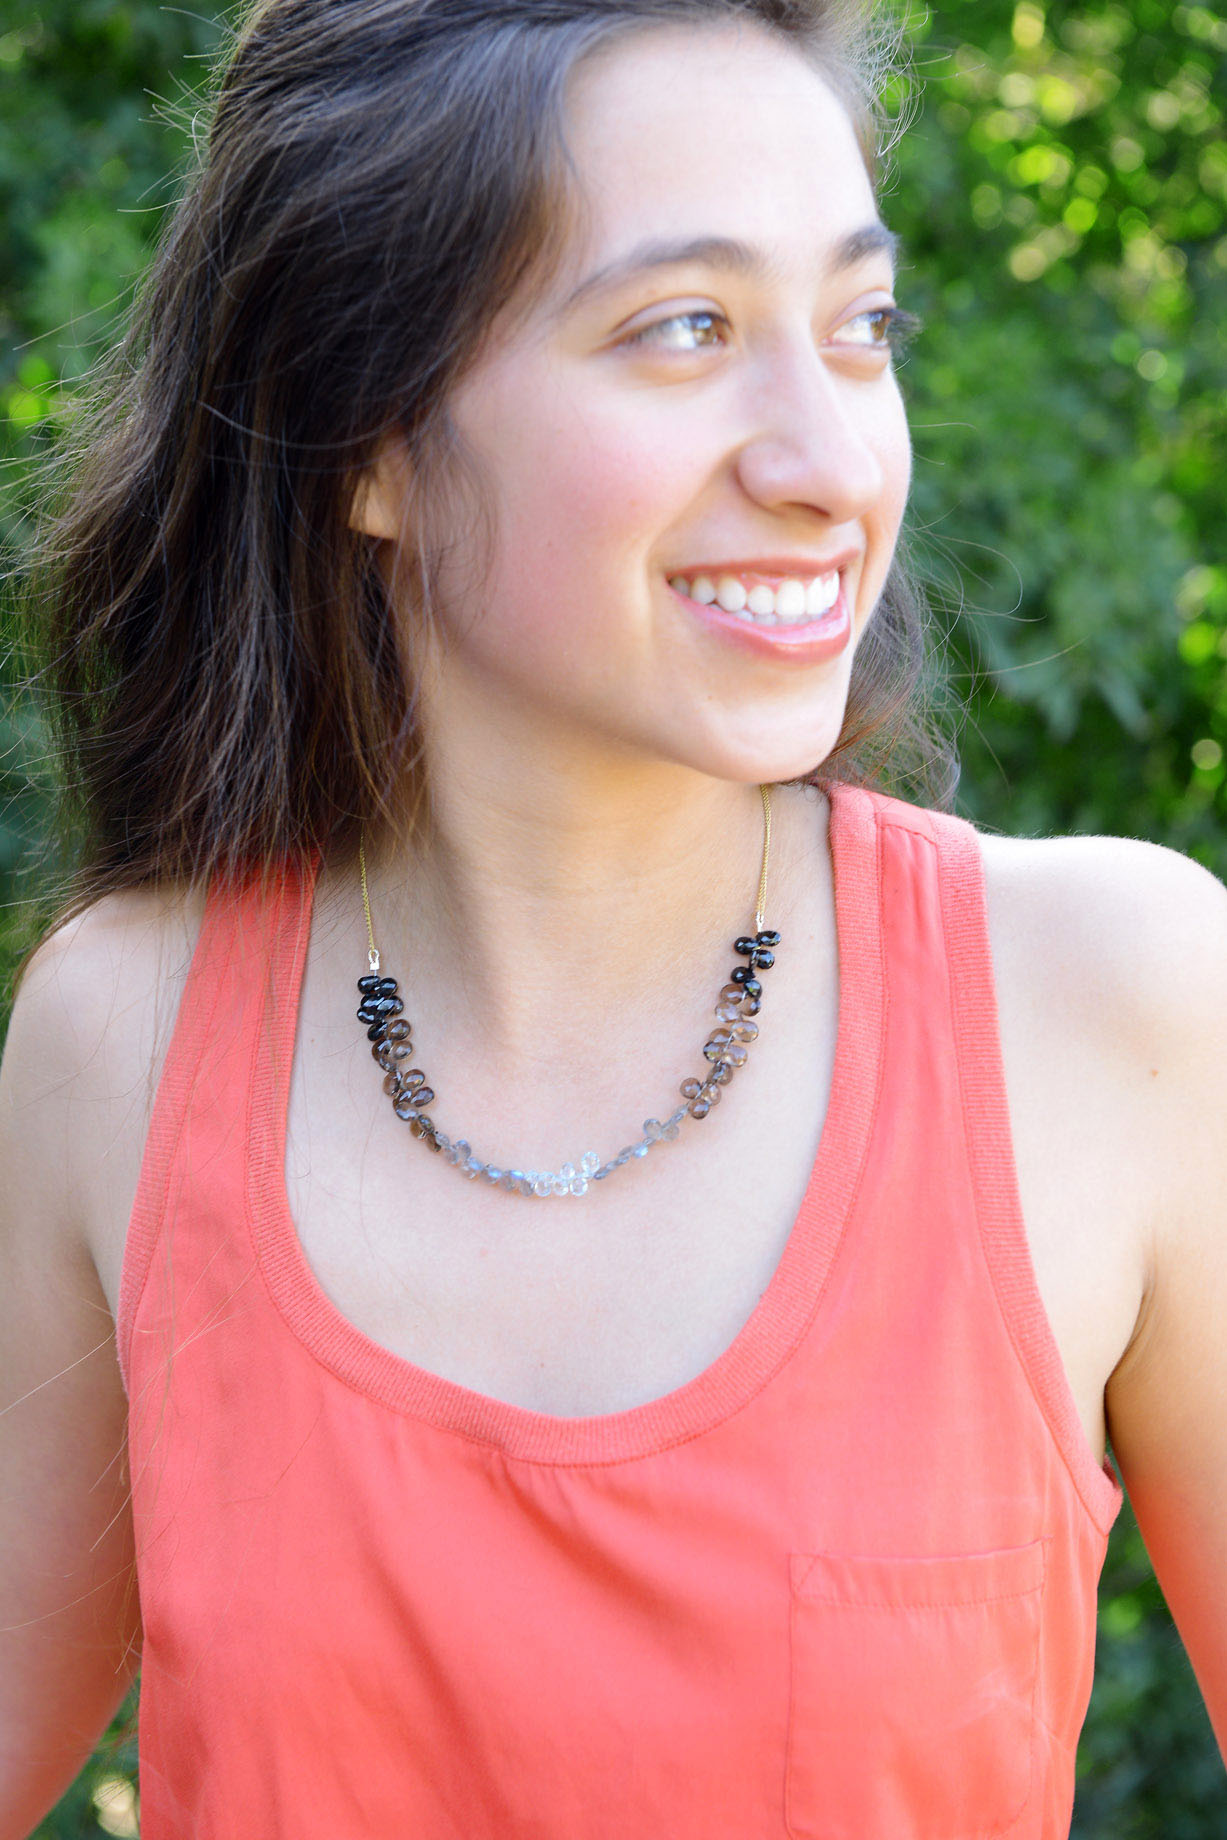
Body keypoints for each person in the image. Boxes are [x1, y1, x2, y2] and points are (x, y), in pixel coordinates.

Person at [1, 0, 1225, 1833]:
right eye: (686, 330)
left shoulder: (1119, 1008)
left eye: (862, 326)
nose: (832, 464)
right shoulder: (125, 1038)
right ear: (364, 439)